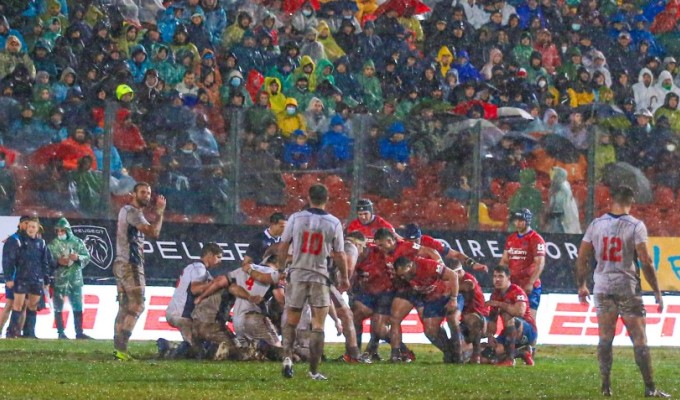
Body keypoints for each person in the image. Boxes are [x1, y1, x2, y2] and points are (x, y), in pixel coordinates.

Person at [575, 185, 669, 398]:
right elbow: (645, 260)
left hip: (602, 286)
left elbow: (582, 257)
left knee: (605, 338)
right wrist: (656, 290)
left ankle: (606, 385)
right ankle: (650, 388)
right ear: (631, 202)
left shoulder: (596, 224)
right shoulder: (636, 226)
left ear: (611, 202)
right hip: (627, 287)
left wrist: (581, 285)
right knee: (639, 339)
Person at [276, 183, 349, 380]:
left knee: (291, 321)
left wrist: (281, 269)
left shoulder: (296, 218)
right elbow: (340, 254)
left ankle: (287, 359)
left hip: (297, 273)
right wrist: (345, 277)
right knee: (318, 325)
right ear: (327, 199)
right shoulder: (334, 223)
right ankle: (314, 371)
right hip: (319, 275)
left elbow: (283, 246)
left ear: (308, 197)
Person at [113, 182, 166, 361]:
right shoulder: (132, 212)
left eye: (149, 193)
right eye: (143, 192)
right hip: (131, 264)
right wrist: (159, 212)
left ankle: (118, 350)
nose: (147, 196)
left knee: (125, 306)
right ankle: (122, 348)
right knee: (137, 305)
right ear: (133, 194)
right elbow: (154, 232)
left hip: (121, 262)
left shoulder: (126, 211)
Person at [393, 256, 463, 363]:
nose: (403, 277)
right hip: (432, 300)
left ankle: (459, 354)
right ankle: (449, 352)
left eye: (403, 274)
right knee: (429, 331)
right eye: (400, 275)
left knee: (452, 320)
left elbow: (453, 275)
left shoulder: (429, 265)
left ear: (409, 266)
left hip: (447, 295)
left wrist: (453, 299)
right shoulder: (406, 276)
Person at [163, 242, 222, 354]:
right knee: (198, 352)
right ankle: (168, 349)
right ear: (209, 254)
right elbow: (195, 289)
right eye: (218, 257)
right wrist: (215, 283)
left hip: (180, 314)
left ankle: (170, 348)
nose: (220, 261)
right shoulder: (199, 268)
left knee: (201, 346)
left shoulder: (198, 268)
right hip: (181, 316)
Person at [3, 217, 51, 339]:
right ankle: (12, 332)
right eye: (28, 226)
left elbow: (45, 262)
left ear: (38, 229)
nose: (30, 229)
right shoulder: (18, 241)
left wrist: (46, 279)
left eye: (33, 227)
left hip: (35, 279)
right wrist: (8, 277)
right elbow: (10, 260)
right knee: (16, 305)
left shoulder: (42, 243)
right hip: (21, 278)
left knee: (32, 306)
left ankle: (29, 333)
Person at [47, 217, 92, 339]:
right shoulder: (53, 245)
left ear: (68, 230)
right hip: (59, 280)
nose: (60, 233)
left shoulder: (77, 242)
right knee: (58, 306)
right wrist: (57, 262)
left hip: (75, 279)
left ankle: (79, 332)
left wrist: (77, 257)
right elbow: (47, 261)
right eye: (58, 231)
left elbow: (87, 256)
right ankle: (60, 332)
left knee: (77, 305)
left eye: (63, 230)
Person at [499, 209, 546, 322]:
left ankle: (531, 339)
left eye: (521, 220)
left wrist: (530, 283)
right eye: (516, 220)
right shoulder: (511, 238)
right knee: (509, 319)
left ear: (527, 221)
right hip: (514, 285)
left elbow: (540, 263)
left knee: (529, 319)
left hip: (529, 286)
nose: (517, 223)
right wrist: (500, 277)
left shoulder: (536, 239)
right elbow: (505, 260)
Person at [485, 265, 537, 366]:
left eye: (500, 276)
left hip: (527, 330)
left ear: (508, 278)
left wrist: (500, 304)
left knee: (507, 314)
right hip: (509, 333)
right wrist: (490, 336)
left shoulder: (517, 291)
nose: (497, 279)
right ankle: (522, 353)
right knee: (486, 358)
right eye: (495, 276)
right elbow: (492, 320)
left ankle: (509, 359)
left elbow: (519, 312)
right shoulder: (495, 295)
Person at [402, 223, 488, 272]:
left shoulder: (429, 242)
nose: (414, 244)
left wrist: (473, 264)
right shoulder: (401, 245)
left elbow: (456, 255)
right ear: (405, 239)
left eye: (416, 241)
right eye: (410, 241)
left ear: (420, 238)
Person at [0, 216, 30, 337]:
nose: (28, 226)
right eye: (26, 223)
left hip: (27, 279)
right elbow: (7, 260)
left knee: (24, 306)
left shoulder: (30, 240)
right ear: (20, 224)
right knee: (10, 305)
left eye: (30, 224)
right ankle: (2, 330)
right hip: (15, 278)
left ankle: (17, 332)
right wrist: (9, 278)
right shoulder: (13, 239)